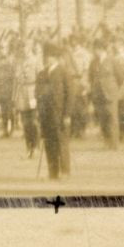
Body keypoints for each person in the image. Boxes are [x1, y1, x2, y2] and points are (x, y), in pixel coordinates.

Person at [35, 43, 76, 180]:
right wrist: (39, 113)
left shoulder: (64, 72)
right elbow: (38, 94)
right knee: (49, 143)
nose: (47, 59)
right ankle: (53, 172)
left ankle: (65, 172)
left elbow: (70, 95)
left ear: (55, 58)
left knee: (61, 143)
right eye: (46, 56)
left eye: (50, 56)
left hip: (60, 114)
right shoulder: (41, 74)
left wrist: (67, 115)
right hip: (46, 115)